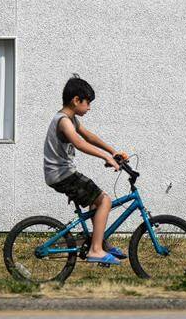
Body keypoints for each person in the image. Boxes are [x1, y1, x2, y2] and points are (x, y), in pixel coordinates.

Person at [43, 75, 129, 266]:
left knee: (97, 202)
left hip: (62, 174)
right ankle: (96, 250)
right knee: (105, 200)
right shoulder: (64, 121)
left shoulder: (71, 120)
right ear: (76, 100)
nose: (89, 107)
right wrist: (105, 157)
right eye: (87, 102)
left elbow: (88, 136)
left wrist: (112, 151)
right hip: (62, 175)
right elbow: (80, 143)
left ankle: (99, 243)